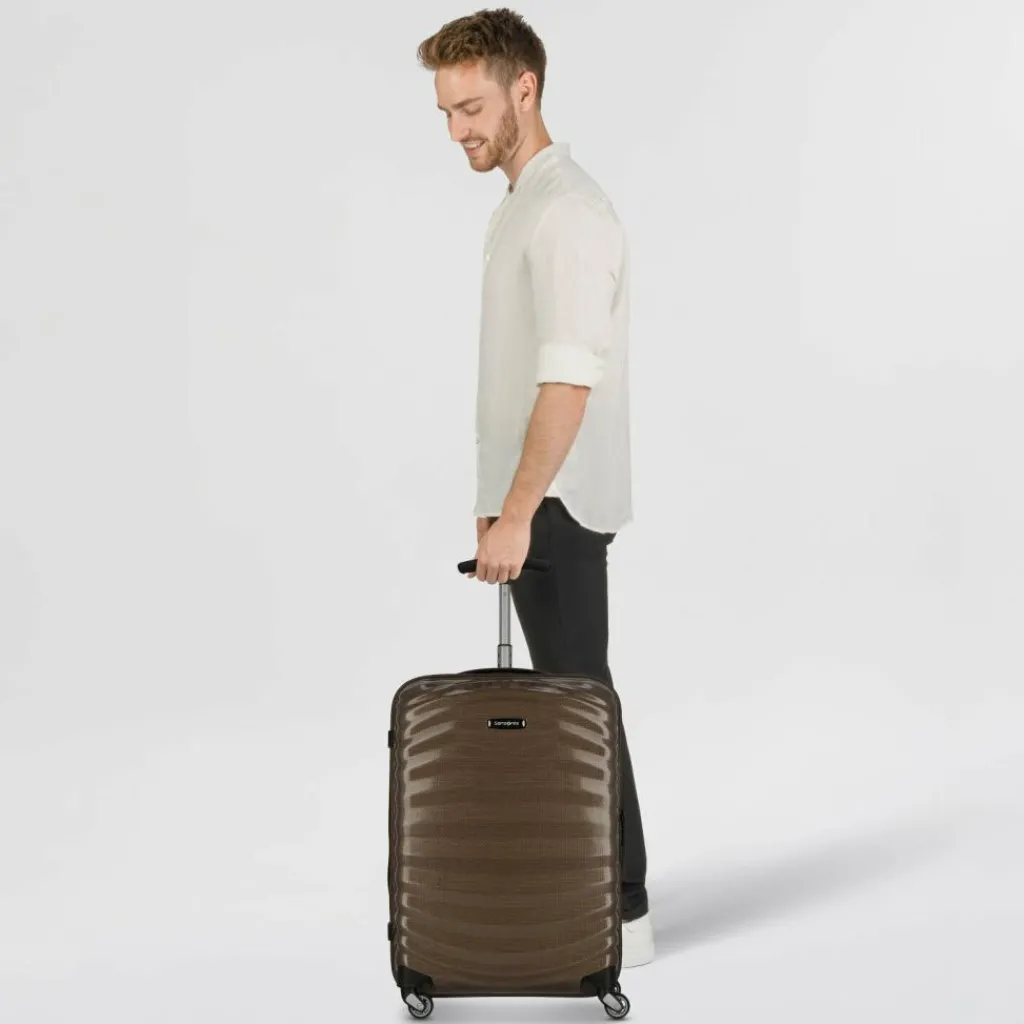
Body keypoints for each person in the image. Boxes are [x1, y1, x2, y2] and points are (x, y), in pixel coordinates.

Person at [417, 8, 655, 968]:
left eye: (471, 107)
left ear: (526, 88)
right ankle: (608, 899)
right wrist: (495, 501)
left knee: (578, 708)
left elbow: (567, 378)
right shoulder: (523, 202)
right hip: (529, 501)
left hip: (556, 502)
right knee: (573, 703)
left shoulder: (567, 211)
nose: (456, 130)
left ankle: (624, 910)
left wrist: (518, 511)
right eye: (445, 111)